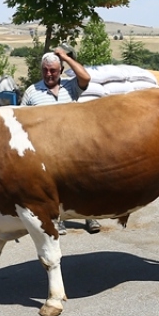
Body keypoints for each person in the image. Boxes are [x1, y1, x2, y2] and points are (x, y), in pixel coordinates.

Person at [19, 47, 100, 234]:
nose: (49, 74)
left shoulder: (71, 87)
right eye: (45, 70)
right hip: (45, 150)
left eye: (53, 70)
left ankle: (90, 217)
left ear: (60, 70)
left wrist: (64, 56)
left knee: (82, 182)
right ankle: (59, 218)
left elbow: (86, 78)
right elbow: (22, 119)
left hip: (72, 145)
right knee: (53, 186)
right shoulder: (32, 92)